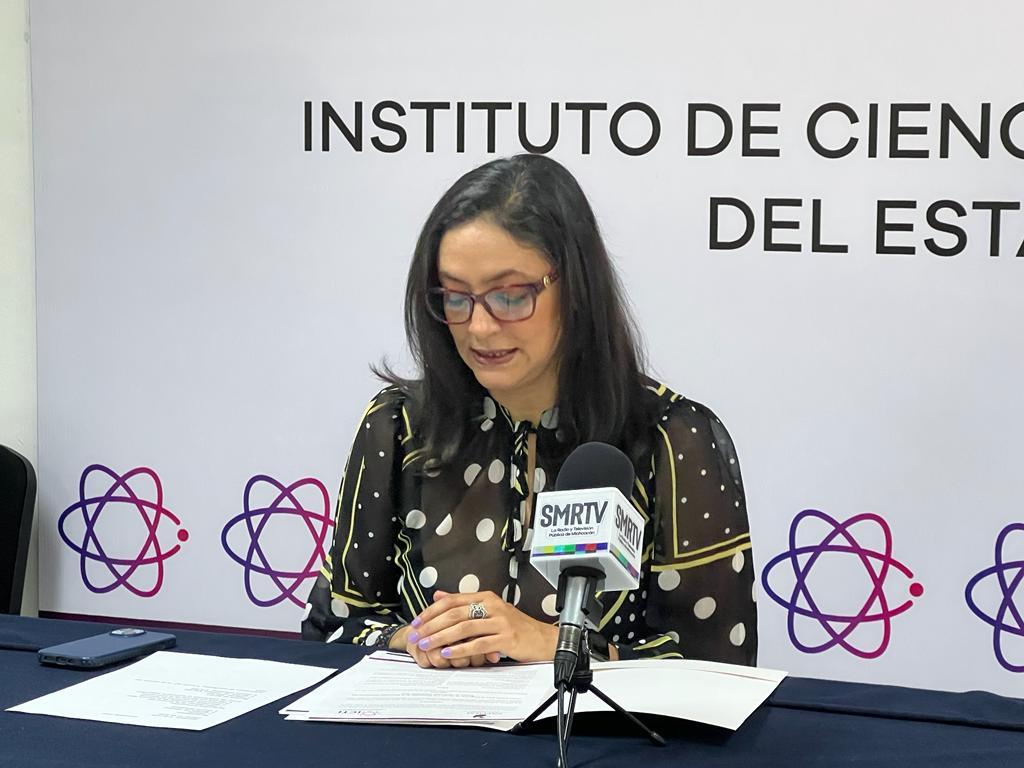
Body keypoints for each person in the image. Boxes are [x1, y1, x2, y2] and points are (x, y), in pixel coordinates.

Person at [302, 154, 756, 669]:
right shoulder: (399, 426)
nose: (479, 328)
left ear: (576, 288)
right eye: (455, 297)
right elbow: (330, 630)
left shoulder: (672, 438)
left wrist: (558, 645)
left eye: (510, 296)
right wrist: (416, 640)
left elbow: (719, 670)